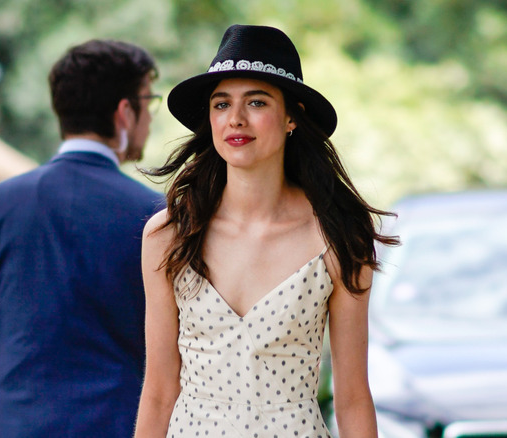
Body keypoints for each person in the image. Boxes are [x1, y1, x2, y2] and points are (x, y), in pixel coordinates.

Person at [133, 24, 398, 438]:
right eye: (221, 104)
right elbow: (159, 391)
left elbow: (351, 397)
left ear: (293, 116)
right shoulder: (169, 234)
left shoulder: (338, 235)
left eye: (256, 102)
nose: (235, 119)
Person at [0, 39, 164, 437]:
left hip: (8, 423)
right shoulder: (156, 215)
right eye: (149, 102)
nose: (150, 118)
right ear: (125, 111)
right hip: (115, 423)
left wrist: (23, 362)